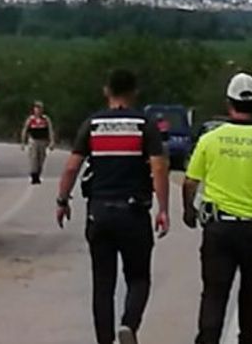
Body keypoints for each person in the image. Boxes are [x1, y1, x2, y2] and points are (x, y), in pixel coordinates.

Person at [182, 72, 252, 344]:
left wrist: (189, 210)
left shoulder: (210, 139)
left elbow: (189, 182)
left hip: (219, 228)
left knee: (214, 294)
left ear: (228, 103)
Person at [56, 69, 170, 344]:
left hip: (99, 212)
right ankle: (129, 324)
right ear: (135, 92)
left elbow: (72, 166)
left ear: (106, 91)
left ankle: (104, 340)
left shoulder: (92, 124)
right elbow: (158, 169)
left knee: (103, 285)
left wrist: (63, 200)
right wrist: (163, 208)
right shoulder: (145, 124)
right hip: (133, 213)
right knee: (138, 278)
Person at [21, 101, 56, 185]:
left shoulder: (46, 119)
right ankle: (34, 176)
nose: (38, 111)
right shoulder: (31, 119)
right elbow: (25, 130)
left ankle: (38, 174)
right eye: (36, 109)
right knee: (33, 158)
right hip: (33, 141)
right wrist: (23, 142)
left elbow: (50, 131)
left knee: (41, 159)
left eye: (39, 109)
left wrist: (52, 141)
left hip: (43, 141)